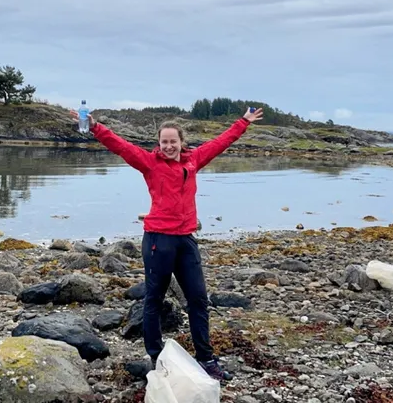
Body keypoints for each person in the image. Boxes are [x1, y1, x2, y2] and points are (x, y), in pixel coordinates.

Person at [70, 106, 264, 382]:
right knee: (154, 300)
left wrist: (243, 122)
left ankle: (206, 359)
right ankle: (156, 358)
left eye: (173, 141)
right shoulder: (150, 163)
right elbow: (121, 146)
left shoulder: (194, 159)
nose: (169, 146)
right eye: (165, 142)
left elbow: (221, 142)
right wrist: (95, 127)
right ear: (158, 144)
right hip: (158, 241)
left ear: (181, 142)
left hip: (185, 240)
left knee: (197, 299)